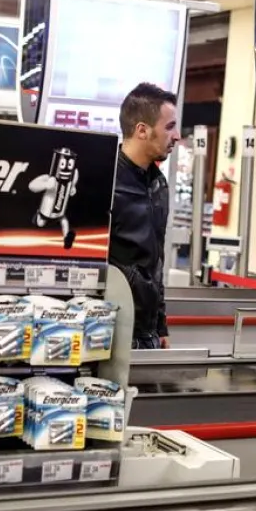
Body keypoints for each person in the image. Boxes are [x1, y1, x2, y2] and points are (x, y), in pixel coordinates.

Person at [110, 82, 179, 349]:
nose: (176, 137)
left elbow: (156, 260)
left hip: (146, 333)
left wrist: (160, 325)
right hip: (113, 328)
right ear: (142, 130)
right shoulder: (106, 181)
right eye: (169, 127)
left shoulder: (158, 185)